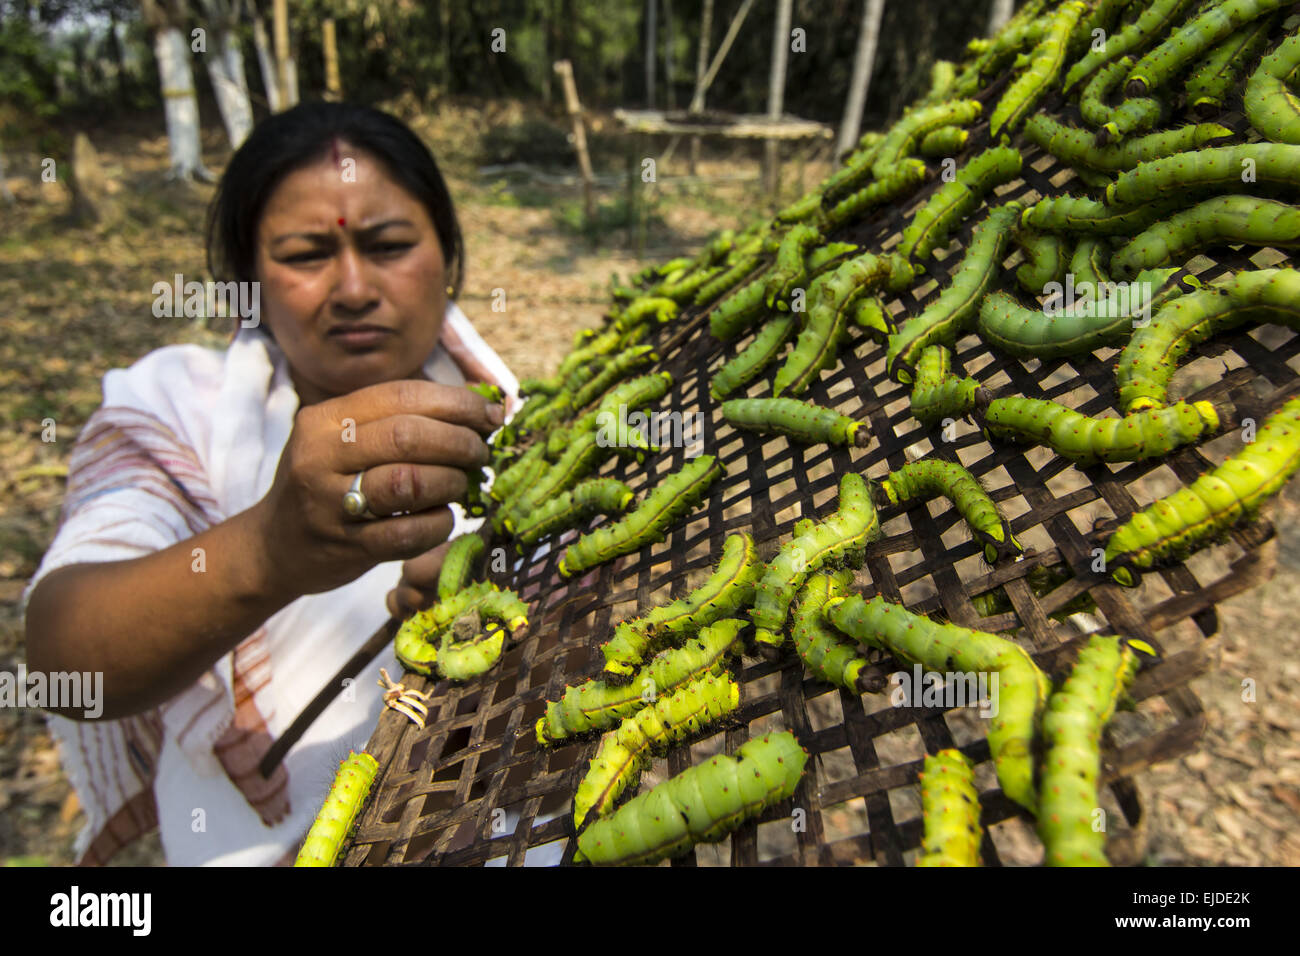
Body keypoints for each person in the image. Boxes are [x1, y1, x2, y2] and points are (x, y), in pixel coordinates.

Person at [21, 101, 518, 866]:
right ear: (249, 278)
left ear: (446, 258)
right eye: (306, 254)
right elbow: (63, 663)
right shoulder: (170, 413)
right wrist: (269, 549)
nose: (353, 287)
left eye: (388, 244)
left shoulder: (520, 433)